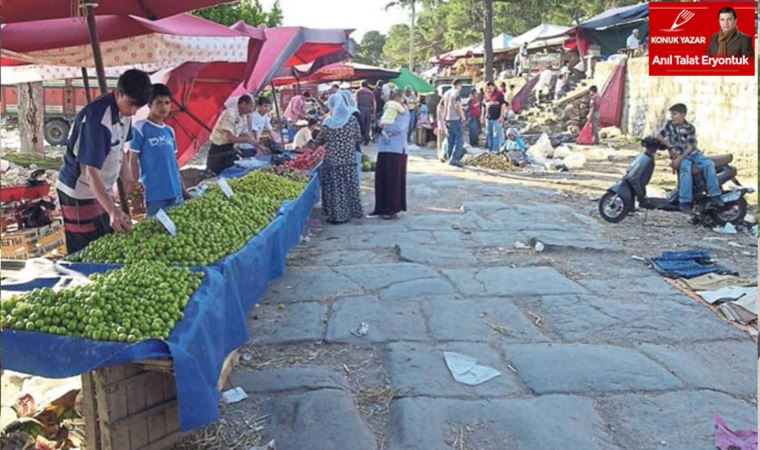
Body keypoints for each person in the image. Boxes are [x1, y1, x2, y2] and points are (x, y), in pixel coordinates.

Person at [57, 69, 151, 253]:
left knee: (104, 242)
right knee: (86, 250)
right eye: (131, 105)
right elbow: (91, 172)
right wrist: (112, 210)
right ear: (118, 93)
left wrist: (130, 181)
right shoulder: (97, 120)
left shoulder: (125, 114)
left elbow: (121, 152)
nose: (132, 112)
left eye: (137, 108)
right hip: (79, 192)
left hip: (101, 191)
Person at [127, 83, 189, 217]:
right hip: (154, 194)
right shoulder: (140, 128)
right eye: (158, 103)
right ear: (149, 105)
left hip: (175, 191)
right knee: (156, 231)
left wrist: (184, 191)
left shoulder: (169, 131)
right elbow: (132, 160)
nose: (164, 107)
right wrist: (135, 189)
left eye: (167, 103)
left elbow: (174, 164)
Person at [655, 103, 723, 214]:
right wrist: (669, 145)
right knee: (685, 168)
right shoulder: (669, 125)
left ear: (683, 115)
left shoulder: (690, 128)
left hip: (692, 153)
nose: (672, 117)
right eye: (671, 114)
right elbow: (657, 135)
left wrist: (678, 159)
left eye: (675, 114)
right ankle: (685, 202)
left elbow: (690, 148)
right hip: (680, 155)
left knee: (708, 164)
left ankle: (715, 195)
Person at [314, 94, 363, 224]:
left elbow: (319, 140)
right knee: (349, 186)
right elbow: (359, 137)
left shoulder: (328, 122)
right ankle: (353, 212)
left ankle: (338, 215)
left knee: (336, 189)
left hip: (332, 161)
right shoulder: (352, 120)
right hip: (349, 159)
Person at [371, 89, 410, 220]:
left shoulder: (404, 111)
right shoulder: (389, 109)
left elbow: (399, 128)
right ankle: (380, 207)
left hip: (396, 149)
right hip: (384, 148)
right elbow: (381, 121)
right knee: (382, 178)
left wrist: (383, 126)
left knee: (393, 180)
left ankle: (391, 209)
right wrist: (380, 124)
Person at [207, 95, 257, 174]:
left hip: (230, 150)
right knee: (216, 176)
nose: (252, 110)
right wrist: (247, 140)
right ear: (243, 104)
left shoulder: (243, 117)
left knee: (230, 174)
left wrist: (258, 145)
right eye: (251, 106)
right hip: (218, 150)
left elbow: (244, 134)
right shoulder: (230, 113)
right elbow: (229, 138)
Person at [439, 80, 466, 166]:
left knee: (450, 139)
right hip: (456, 119)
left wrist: (444, 116)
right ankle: (454, 159)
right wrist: (462, 116)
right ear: (459, 85)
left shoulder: (446, 93)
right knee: (459, 140)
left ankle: (449, 156)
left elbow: (441, 106)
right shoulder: (456, 93)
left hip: (448, 119)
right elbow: (457, 105)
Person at [484, 82, 507, 152]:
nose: (489, 90)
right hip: (488, 118)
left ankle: (495, 150)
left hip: (497, 118)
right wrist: (484, 115)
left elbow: (503, 105)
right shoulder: (486, 95)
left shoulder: (499, 95)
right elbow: (485, 106)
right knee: (489, 134)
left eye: (490, 88)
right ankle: (490, 149)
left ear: (494, 87)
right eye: (487, 88)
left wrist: (501, 116)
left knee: (496, 135)